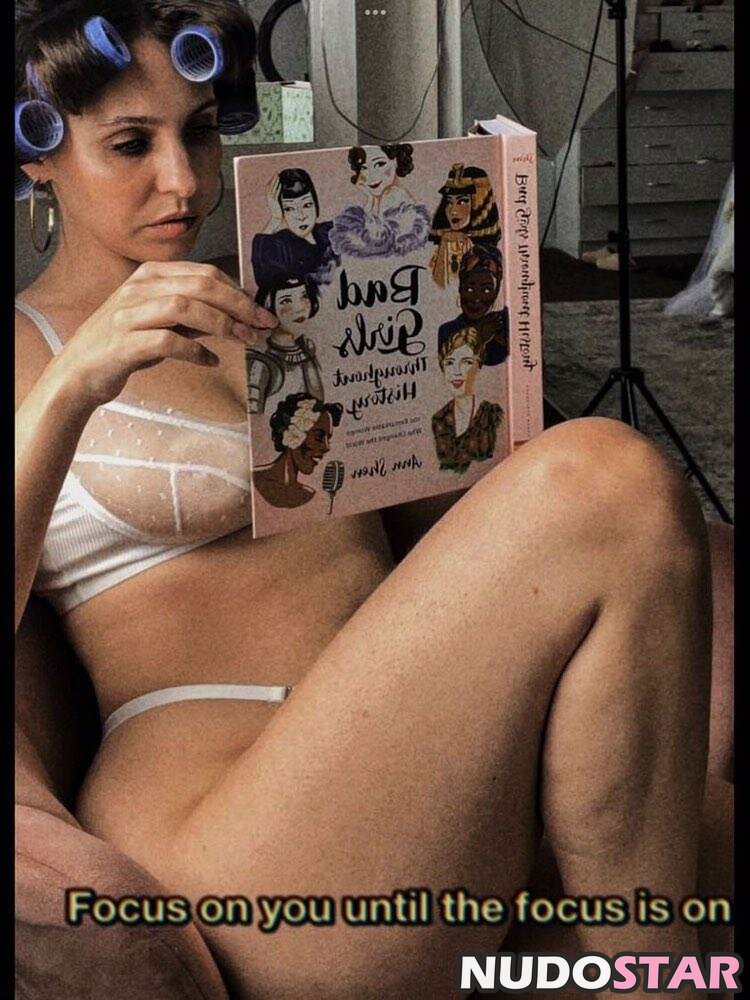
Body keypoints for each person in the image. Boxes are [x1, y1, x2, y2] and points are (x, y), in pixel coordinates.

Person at [15, 2, 735, 997]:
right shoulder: (28, 350)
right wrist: (72, 384)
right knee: (606, 477)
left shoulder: (284, 292)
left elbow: (454, 527)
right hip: (229, 831)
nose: (182, 180)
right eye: (130, 144)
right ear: (38, 160)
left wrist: (477, 356)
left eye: (200, 132)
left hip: (420, 754)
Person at [329, 144, 432, 260]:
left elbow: (377, 243)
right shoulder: (378, 196)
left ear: (396, 160)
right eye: (364, 168)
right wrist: (369, 197)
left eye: (379, 164)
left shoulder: (394, 194)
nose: (371, 176)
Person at [246, 274, 324, 413]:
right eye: (286, 301)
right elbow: (256, 416)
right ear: (268, 305)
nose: (300, 308)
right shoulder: (260, 366)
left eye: (303, 296)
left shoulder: (308, 351)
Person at [250, 168, 339, 290]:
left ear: (316, 205)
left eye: (307, 205)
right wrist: (275, 219)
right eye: (290, 209)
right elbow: (264, 281)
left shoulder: (330, 231)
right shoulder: (280, 245)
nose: (301, 216)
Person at [252, 394, 343, 509]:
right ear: (292, 433)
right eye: (318, 436)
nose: (326, 447)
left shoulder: (308, 495)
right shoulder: (255, 478)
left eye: (328, 439)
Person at [432, 327, 503, 474]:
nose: (456, 371)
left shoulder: (492, 414)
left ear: (478, 366)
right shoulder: (439, 419)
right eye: (449, 363)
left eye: (466, 362)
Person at [429, 163, 501, 288]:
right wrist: (444, 243)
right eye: (449, 202)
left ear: (478, 204)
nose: (453, 211)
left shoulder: (487, 254)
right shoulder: (447, 241)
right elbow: (436, 286)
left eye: (462, 201)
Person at [438, 244, 509, 367]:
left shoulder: (506, 323)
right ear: (460, 288)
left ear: (496, 291)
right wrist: (479, 338)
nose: (476, 298)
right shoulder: (448, 331)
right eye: (469, 289)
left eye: (486, 290)